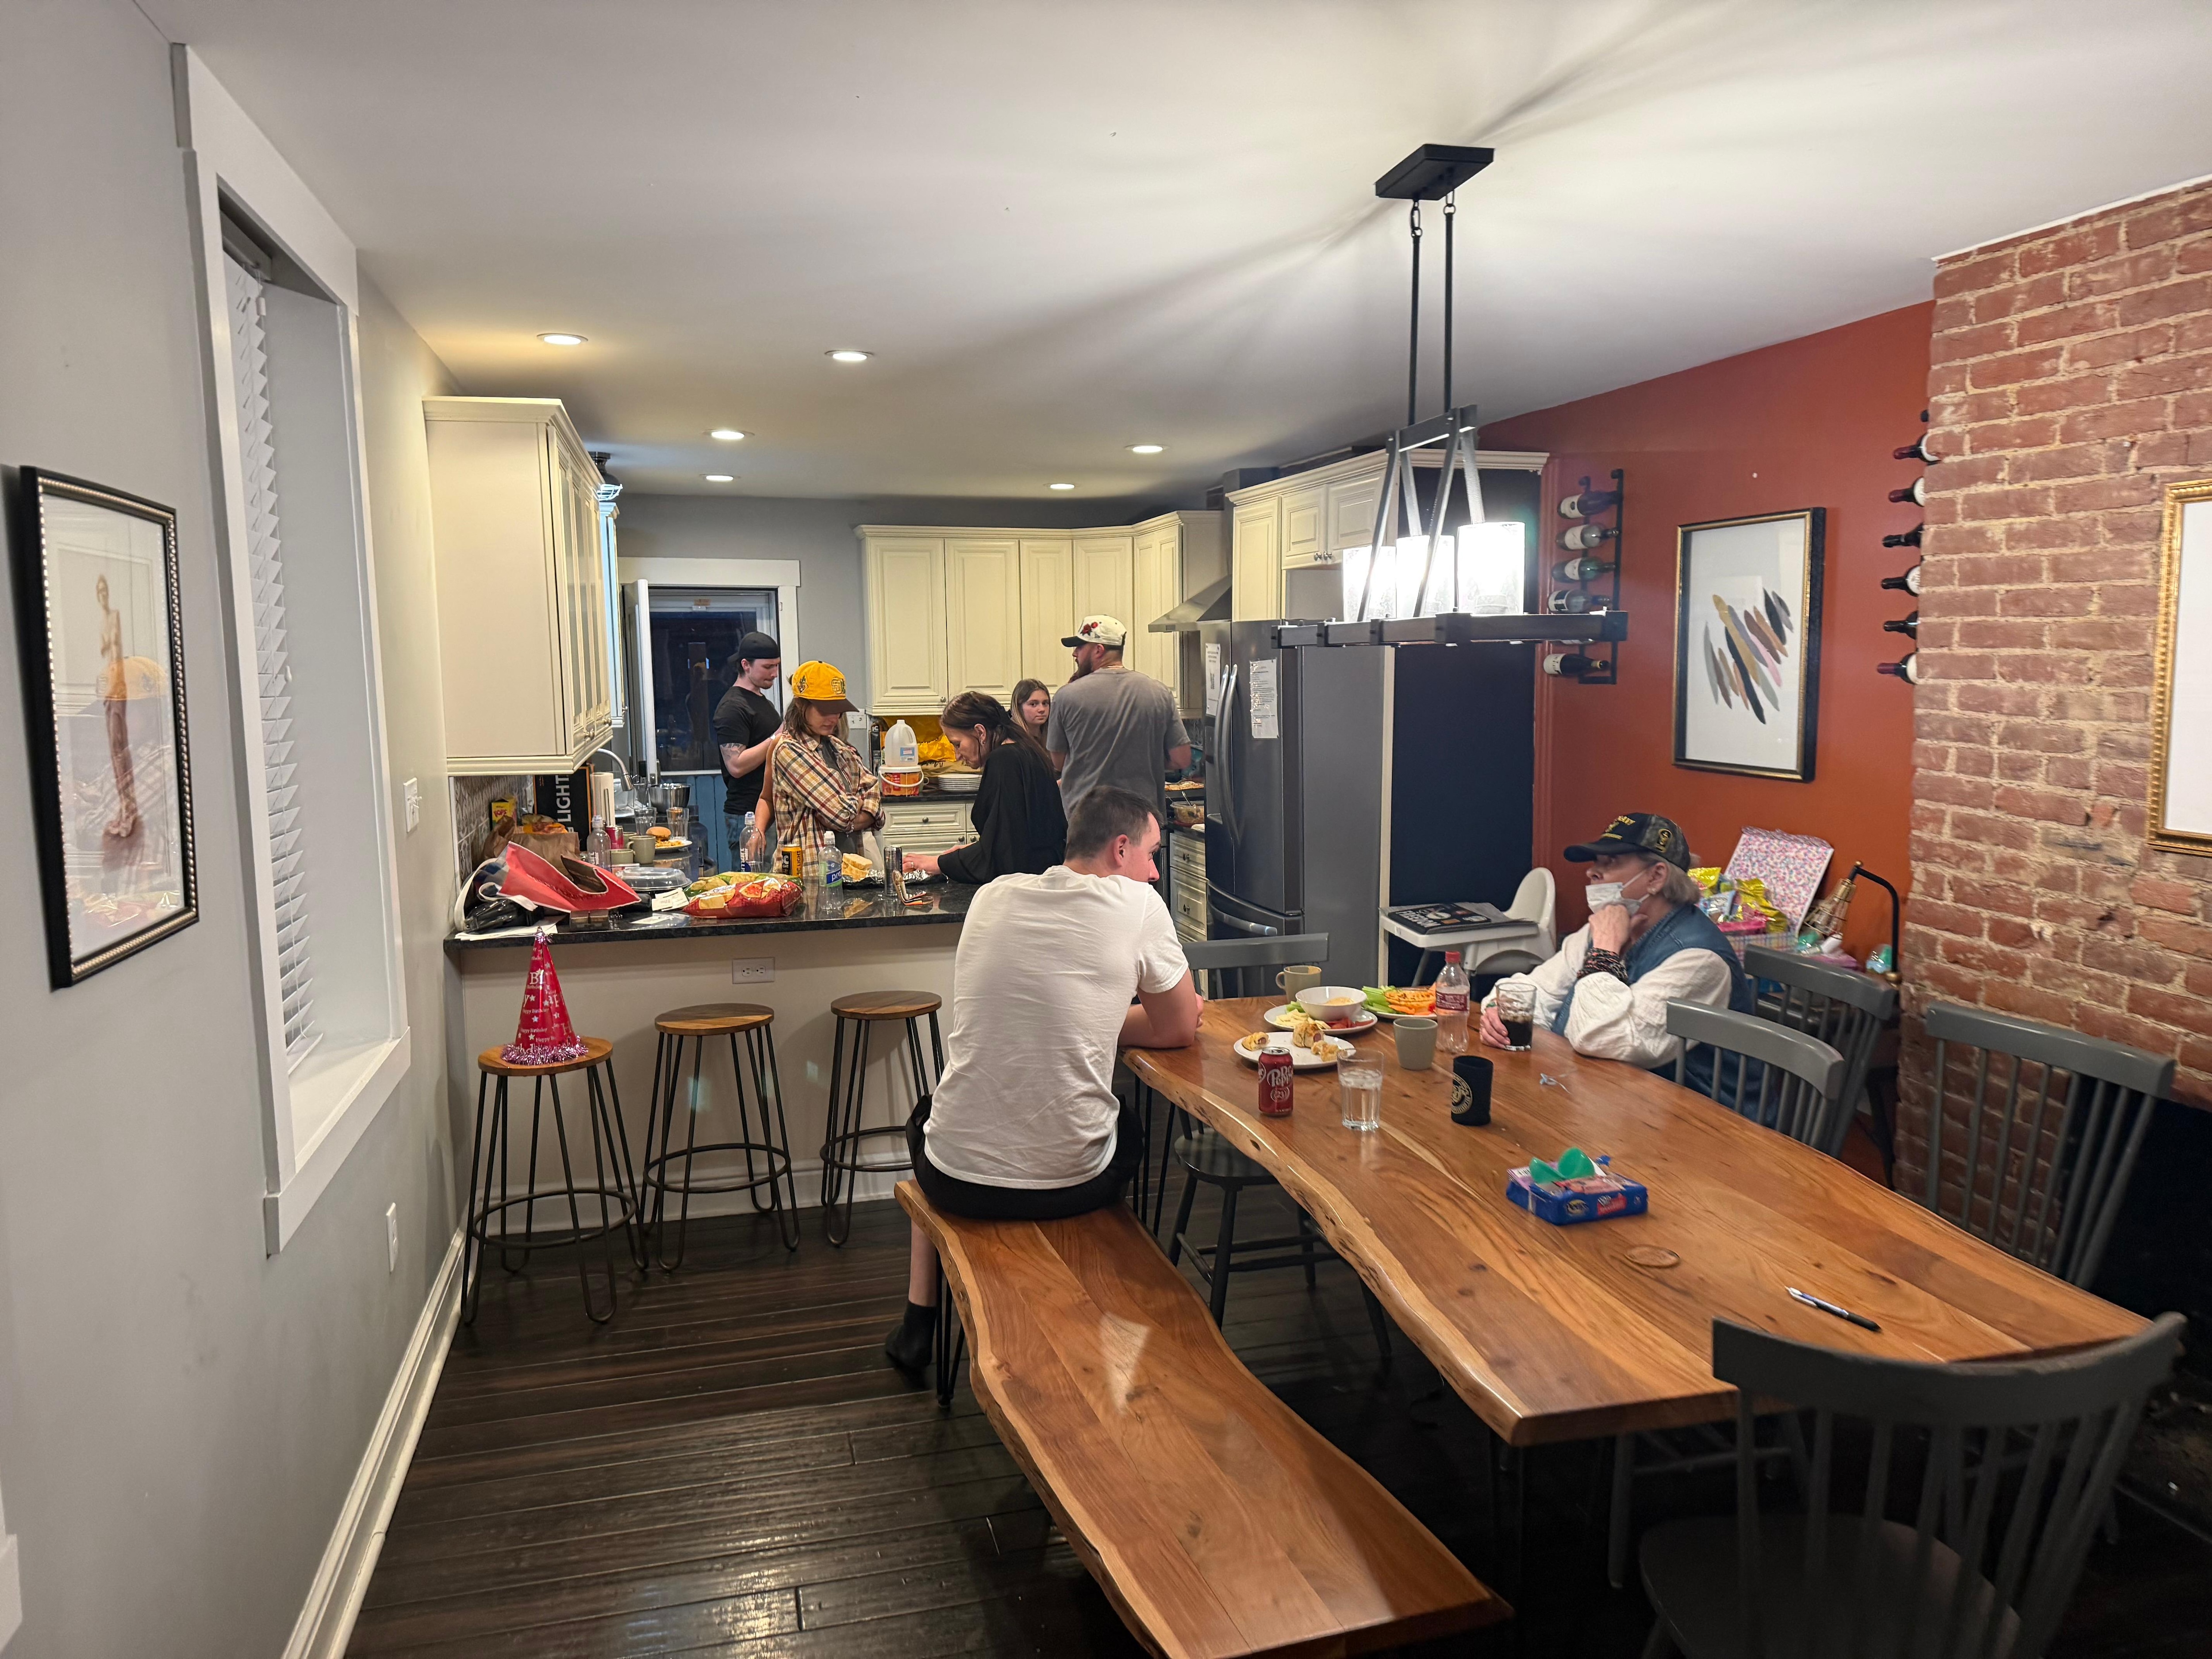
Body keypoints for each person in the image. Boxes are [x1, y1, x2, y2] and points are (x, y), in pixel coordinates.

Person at [884, 785, 1201, 1376]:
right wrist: (1107, 1021)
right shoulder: (1137, 905)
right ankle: (1112, 1301)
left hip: (952, 1178)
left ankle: (917, 1320)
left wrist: (1090, 1020)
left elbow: (1027, 1008)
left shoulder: (992, 896)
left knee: (929, 1117)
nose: (1156, 872)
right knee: (1127, 1128)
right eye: (1153, 854)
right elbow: (1180, 1027)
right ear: (1121, 848)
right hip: (1069, 1184)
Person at [1477, 812, 1755, 1097]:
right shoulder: (1602, 928)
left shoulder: (1699, 959)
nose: (1592, 872)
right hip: (1616, 1096)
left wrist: (1605, 951)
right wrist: (1498, 1016)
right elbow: (1530, 993)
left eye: (1610, 863)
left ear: (1656, 877)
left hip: (1705, 1122)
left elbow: (1598, 1038)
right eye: (1595, 862)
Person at [905, 690, 1065, 884]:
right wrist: (970, 853)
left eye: (957, 744)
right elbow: (1011, 835)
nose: (957, 756)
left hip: (1026, 887)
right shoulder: (1025, 749)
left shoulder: (1005, 760)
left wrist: (939, 863)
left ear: (980, 732)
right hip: (1046, 877)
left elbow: (1003, 853)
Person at [1045, 615, 1190, 822]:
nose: (1075, 653)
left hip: (1089, 821)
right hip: (1142, 822)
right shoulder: (1159, 692)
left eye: (1080, 646)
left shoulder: (1067, 696)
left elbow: (1059, 761)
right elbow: (1182, 759)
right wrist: (1142, 758)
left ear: (1098, 650)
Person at [745, 661, 882, 865]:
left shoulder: (840, 748)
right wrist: (858, 806)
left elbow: (874, 792)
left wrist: (852, 812)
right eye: (825, 710)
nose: (834, 718)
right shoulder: (789, 750)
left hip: (850, 869)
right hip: (808, 871)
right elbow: (839, 814)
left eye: (838, 711)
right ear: (802, 705)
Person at [712, 631, 782, 865]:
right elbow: (736, 765)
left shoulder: (760, 700)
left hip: (770, 812)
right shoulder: (733, 707)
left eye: (777, 666)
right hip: (747, 816)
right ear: (746, 665)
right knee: (751, 890)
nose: (775, 673)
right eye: (768, 667)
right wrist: (778, 737)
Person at [1010, 677, 1055, 765]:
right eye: (1033, 704)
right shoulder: (1012, 742)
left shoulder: (1052, 735)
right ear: (1019, 707)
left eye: (1045, 703)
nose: (1042, 709)